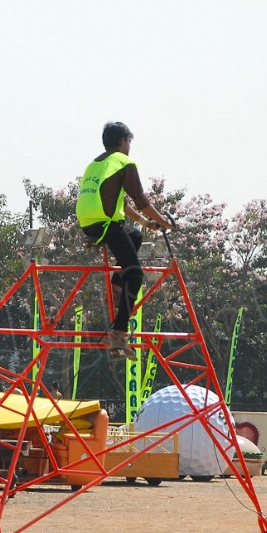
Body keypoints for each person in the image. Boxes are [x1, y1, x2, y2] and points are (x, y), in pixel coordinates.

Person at [77, 121, 176, 360]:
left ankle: (117, 281)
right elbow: (140, 199)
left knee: (135, 236)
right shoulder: (124, 162)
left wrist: (146, 223)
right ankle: (119, 332)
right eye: (129, 141)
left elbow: (122, 203)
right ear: (123, 141)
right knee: (137, 275)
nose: (129, 146)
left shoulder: (96, 164)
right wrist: (165, 222)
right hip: (106, 223)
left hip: (88, 221)